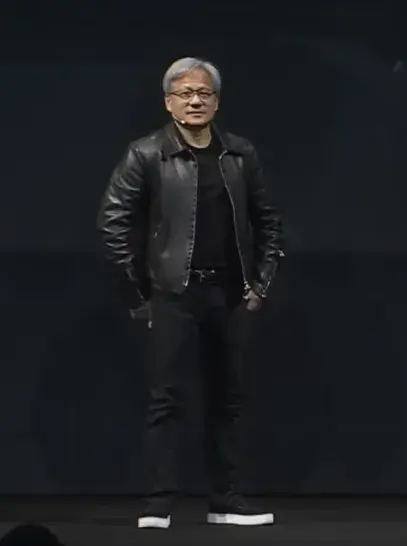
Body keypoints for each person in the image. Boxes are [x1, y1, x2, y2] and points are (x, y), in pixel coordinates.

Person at [97, 57, 284, 529]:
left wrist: (259, 285)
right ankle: (158, 504)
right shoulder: (147, 153)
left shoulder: (239, 154)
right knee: (167, 400)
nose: (195, 101)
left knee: (227, 400)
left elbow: (268, 222)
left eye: (203, 93)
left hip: (229, 294)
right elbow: (113, 223)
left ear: (216, 101)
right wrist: (141, 293)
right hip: (174, 294)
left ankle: (226, 501)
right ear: (168, 102)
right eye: (185, 94)